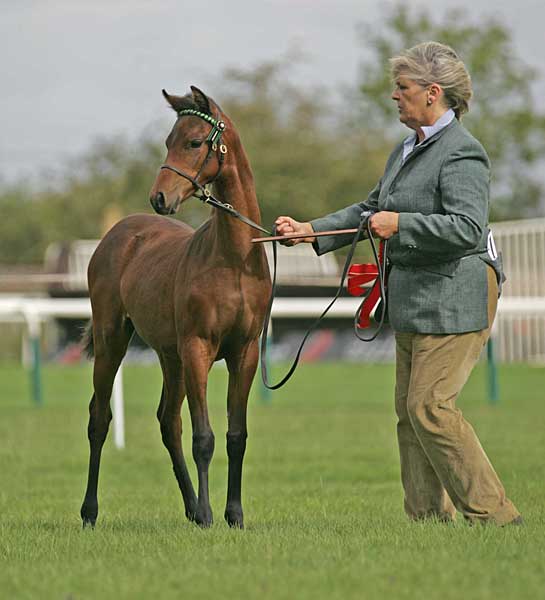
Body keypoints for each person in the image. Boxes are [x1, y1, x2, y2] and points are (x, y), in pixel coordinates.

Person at [275, 41, 521, 526]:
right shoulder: (406, 150)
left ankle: (496, 517)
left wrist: (402, 225)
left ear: (432, 93)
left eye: (402, 88)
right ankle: (427, 520)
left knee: (430, 407)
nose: (394, 96)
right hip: (415, 299)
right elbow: (370, 212)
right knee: (410, 415)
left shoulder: (463, 153)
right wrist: (311, 231)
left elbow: (468, 229)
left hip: (456, 297)